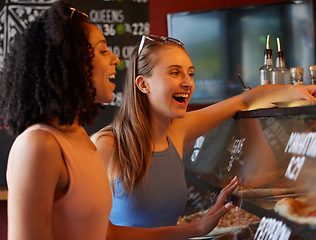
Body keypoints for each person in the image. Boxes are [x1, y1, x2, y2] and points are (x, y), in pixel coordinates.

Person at [0, 2, 239, 240]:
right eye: (103, 51)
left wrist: (196, 228)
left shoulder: (83, 141)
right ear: (70, 61)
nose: (116, 59)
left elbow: (109, 233)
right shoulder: (37, 145)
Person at [91, 34, 316, 229]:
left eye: (190, 73)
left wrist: (299, 91)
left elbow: (243, 101)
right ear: (143, 84)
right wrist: (195, 229)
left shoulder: (176, 130)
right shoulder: (106, 144)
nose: (188, 83)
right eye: (175, 73)